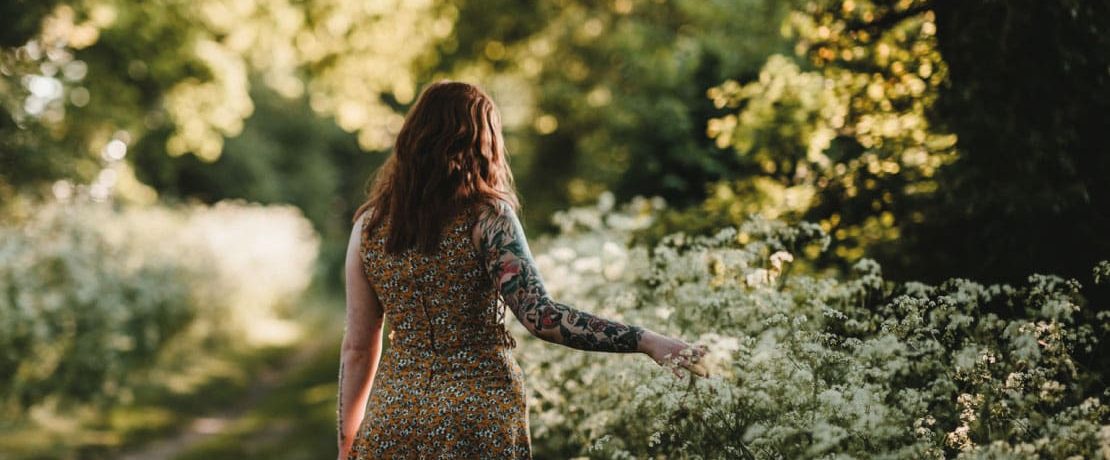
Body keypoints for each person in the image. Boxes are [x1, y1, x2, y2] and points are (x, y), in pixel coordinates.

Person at [336, 80, 707, 459]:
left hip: (395, 419)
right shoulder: (488, 217)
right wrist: (644, 340)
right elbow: (541, 317)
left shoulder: (369, 226)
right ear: (483, 143)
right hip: (477, 416)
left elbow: (358, 347)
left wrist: (348, 443)